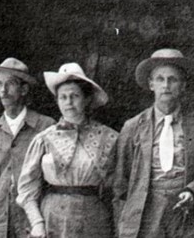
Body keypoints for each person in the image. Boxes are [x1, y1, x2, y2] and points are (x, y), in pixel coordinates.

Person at [16, 63, 119, 238]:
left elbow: (119, 185)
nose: (68, 103)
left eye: (74, 96)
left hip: (93, 219)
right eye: (63, 97)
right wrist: (37, 223)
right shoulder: (44, 139)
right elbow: (27, 188)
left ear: (86, 99)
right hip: (52, 218)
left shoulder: (109, 137)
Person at [115, 48, 194, 238]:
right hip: (146, 209)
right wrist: (123, 225)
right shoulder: (133, 127)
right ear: (151, 84)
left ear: (183, 85)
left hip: (185, 208)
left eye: (173, 79)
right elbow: (120, 183)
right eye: (160, 79)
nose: (166, 85)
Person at [0, 58, 56, 238]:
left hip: (31, 219)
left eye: (10, 84)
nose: (3, 90)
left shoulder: (45, 126)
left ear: (24, 89)